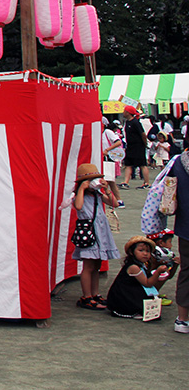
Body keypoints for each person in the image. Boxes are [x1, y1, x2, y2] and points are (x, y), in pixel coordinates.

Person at [71, 163, 120, 310]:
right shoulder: (79, 195)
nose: (96, 182)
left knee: (97, 265)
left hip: (101, 231)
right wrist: (82, 188)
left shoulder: (98, 194)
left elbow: (115, 203)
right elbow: (78, 206)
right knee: (88, 265)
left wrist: (106, 189)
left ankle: (95, 293)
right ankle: (86, 296)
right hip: (89, 231)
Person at [106, 236, 169, 318]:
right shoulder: (133, 267)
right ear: (132, 252)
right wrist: (158, 272)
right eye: (141, 250)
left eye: (148, 251)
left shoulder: (141, 264)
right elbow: (147, 283)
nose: (145, 254)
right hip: (123, 298)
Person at [167, 145, 189, 333]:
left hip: (185, 225)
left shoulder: (178, 162)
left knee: (186, 272)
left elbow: (168, 191)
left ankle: (182, 319)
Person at [120, 105, 149, 190]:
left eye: (124, 111)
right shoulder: (127, 122)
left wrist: (145, 143)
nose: (123, 112)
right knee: (128, 164)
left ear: (128, 112)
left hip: (138, 146)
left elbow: (143, 134)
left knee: (142, 164)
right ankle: (126, 182)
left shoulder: (136, 122)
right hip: (130, 146)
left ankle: (147, 183)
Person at [102, 119, 124, 208]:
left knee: (109, 181)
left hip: (108, 158)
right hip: (102, 158)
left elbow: (118, 142)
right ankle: (115, 200)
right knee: (109, 181)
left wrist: (107, 150)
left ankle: (117, 200)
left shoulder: (107, 132)